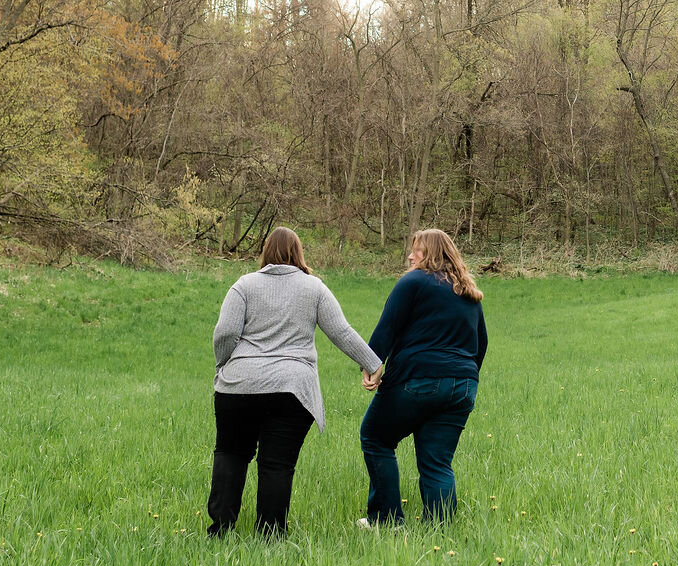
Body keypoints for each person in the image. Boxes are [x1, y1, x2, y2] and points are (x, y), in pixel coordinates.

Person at [208, 226, 382, 537]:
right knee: (276, 464)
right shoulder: (313, 288)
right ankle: (271, 536)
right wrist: (372, 363)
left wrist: (224, 364)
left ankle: (220, 529)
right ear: (298, 254)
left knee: (230, 454)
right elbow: (341, 331)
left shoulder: (243, 285)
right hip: (291, 390)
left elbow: (225, 332)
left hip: (238, 386)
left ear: (266, 253)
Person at [358, 228, 488, 527]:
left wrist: (370, 367)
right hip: (463, 386)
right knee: (437, 462)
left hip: (418, 379)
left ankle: (385, 521)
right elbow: (481, 343)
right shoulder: (469, 292)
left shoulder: (413, 281)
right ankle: (439, 532)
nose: (409, 255)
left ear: (429, 253)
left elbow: (387, 327)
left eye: (415, 250)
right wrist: (460, 381)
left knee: (376, 438)